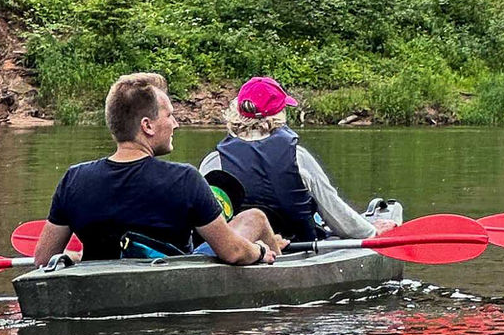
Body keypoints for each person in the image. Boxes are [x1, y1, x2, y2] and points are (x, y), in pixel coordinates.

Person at [30, 73, 285, 265]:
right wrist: (260, 251)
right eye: (169, 116)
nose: (175, 124)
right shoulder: (185, 179)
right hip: (172, 288)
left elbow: (43, 259)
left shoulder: (74, 179)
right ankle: (284, 265)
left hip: (104, 285)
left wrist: (77, 258)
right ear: (147, 126)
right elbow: (233, 252)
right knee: (255, 218)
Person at [198, 75, 392, 242]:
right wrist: (372, 231)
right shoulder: (298, 158)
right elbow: (336, 216)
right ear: (278, 114)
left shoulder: (213, 161)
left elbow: (203, 220)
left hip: (240, 249)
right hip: (298, 246)